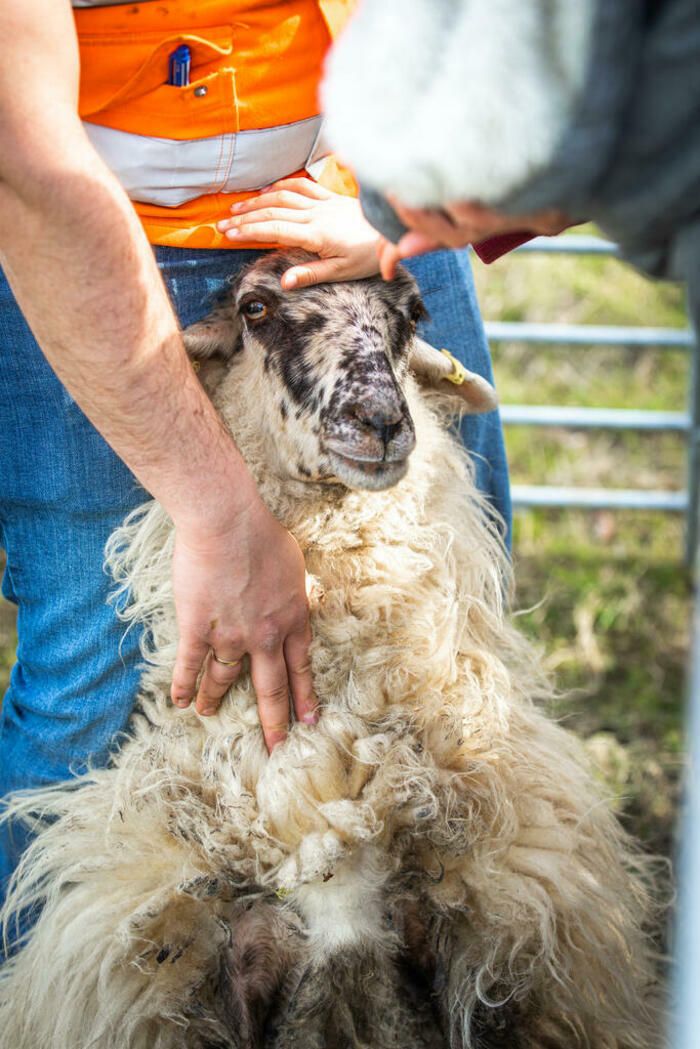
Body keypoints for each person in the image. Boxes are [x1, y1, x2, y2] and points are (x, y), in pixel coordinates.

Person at [0, 0, 510, 912]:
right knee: (97, 674)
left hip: (355, 201)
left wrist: (405, 204)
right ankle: (51, 993)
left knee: (445, 636)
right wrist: (217, 509)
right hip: (91, 228)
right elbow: (30, 162)